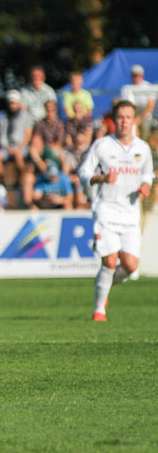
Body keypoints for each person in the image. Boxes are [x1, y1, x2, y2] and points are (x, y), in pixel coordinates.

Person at [77, 100, 153, 322]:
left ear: (134, 120)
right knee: (110, 261)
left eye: (128, 117)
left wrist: (146, 184)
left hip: (130, 213)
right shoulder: (102, 145)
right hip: (106, 210)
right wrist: (101, 177)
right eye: (120, 117)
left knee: (130, 266)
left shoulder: (142, 148)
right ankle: (99, 310)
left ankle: (105, 281)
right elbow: (83, 171)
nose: (124, 122)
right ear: (113, 120)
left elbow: (147, 172)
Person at [120, 64, 156, 139]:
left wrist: (139, 120)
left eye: (138, 75)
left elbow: (150, 107)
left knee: (145, 127)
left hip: (144, 116)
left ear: (142, 76)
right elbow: (125, 108)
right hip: (133, 115)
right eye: (134, 75)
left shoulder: (148, 87)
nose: (136, 77)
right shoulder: (126, 88)